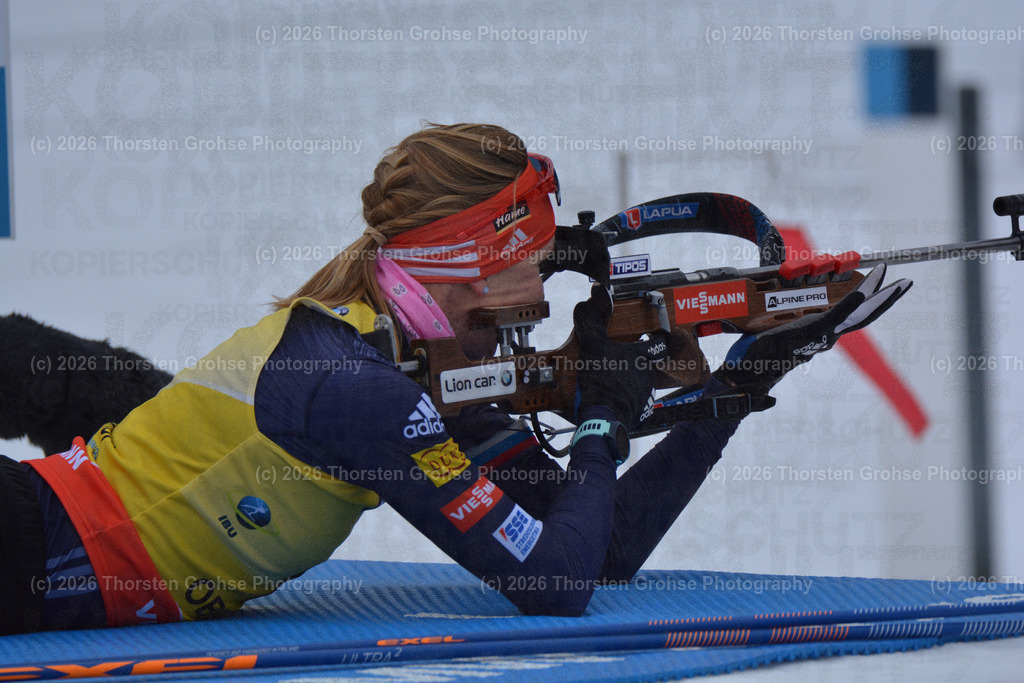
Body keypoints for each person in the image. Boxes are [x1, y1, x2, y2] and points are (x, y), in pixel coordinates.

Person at [0, 123, 911, 634]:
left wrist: (749, 375)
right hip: (29, 549)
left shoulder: (427, 360)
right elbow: (552, 587)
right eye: (533, 255)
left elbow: (599, 548)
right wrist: (599, 414)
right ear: (471, 264)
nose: (548, 275)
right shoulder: (364, 390)